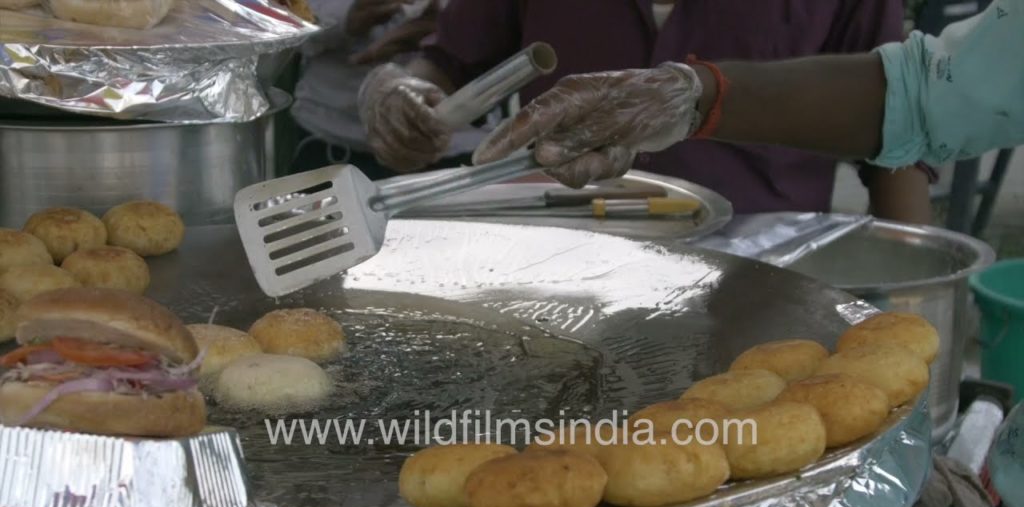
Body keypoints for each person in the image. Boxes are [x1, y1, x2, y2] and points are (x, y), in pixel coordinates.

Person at [358, 0, 934, 222]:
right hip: (556, 249)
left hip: (758, 270)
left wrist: (916, 307)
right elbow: (448, 59)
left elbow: (894, 134)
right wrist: (406, 93)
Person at [472, 0, 1022, 194]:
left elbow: (914, 121)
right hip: (556, 244)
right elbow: (918, 95)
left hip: (755, 267)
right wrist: (686, 96)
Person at [288, 0, 490, 179]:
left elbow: (509, 21)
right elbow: (274, 19)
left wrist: (452, 28)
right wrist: (343, 15)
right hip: (334, 143)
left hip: (455, 147)